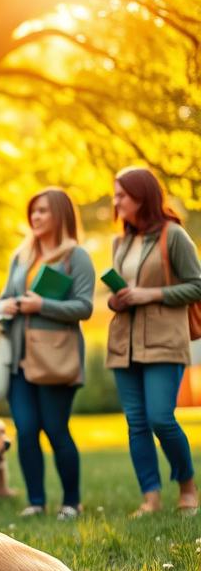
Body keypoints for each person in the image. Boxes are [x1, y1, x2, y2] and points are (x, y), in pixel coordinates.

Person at [106, 167, 201, 517]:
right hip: (124, 343)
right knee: (136, 424)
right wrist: (116, 300)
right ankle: (151, 498)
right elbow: (122, 290)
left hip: (164, 340)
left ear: (142, 196)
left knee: (161, 418)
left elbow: (197, 285)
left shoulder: (173, 236)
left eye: (122, 195)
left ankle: (187, 487)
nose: (116, 201)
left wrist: (149, 294)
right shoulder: (120, 242)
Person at [0, 188, 94, 519]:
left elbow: (84, 307)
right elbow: (2, 299)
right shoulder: (21, 255)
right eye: (32, 211)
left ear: (60, 214)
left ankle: (71, 502)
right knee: (25, 431)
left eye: (42, 211)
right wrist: (6, 306)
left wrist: (41, 305)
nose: (35, 217)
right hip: (18, 360)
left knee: (55, 429)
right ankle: (36, 502)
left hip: (56, 359)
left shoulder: (76, 257)